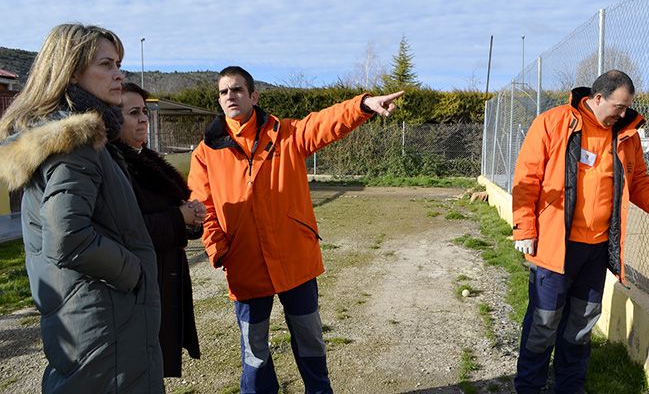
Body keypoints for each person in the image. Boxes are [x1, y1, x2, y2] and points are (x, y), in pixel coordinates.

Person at [187, 65, 403, 394]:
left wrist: (362, 105)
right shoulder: (207, 152)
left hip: (294, 260)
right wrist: (219, 249)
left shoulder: (285, 134)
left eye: (237, 90)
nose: (230, 95)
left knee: (310, 340)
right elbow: (204, 206)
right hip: (246, 264)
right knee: (255, 351)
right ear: (219, 100)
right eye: (224, 91)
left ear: (253, 96)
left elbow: (323, 124)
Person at [511, 70, 649, 393]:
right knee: (543, 324)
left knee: (580, 325)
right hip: (554, 247)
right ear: (597, 98)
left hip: (597, 250)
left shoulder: (626, 135)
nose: (623, 113)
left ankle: (570, 387)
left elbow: (640, 183)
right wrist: (524, 230)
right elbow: (526, 179)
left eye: (627, 108)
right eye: (619, 106)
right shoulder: (554, 123)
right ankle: (528, 386)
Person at [0, 24, 163, 392]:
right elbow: (69, 236)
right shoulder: (75, 141)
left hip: (95, 321)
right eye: (106, 64)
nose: (119, 74)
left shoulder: (81, 138)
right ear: (72, 71)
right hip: (104, 324)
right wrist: (134, 273)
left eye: (119, 63)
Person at [113, 82, 203, 377]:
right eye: (133, 112)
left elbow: (170, 214)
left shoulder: (146, 161)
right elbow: (130, 233)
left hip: (162, 281)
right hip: (137, 292)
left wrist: (191, 219)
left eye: (144, 112)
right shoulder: (116, 168)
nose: (143, 119)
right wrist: (180, 216)